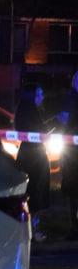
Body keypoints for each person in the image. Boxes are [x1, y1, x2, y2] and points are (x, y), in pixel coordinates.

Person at [14, 83, 50, 242]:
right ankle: (34, 230)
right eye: (39, 94)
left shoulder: (26, 111)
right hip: (35, 157)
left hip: (28, 154)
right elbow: (41, 131)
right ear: (31, 96)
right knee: (35, 193)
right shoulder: (31, 112)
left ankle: (28, 230)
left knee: (30, 192)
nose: (42, 97)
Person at [58, 70, 78, 239]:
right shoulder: (71, 99)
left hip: (72, 152)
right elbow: (65, 119)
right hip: (72, 153)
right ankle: (74, 226)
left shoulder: (71, 99)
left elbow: (64, 119)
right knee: (74, 191)